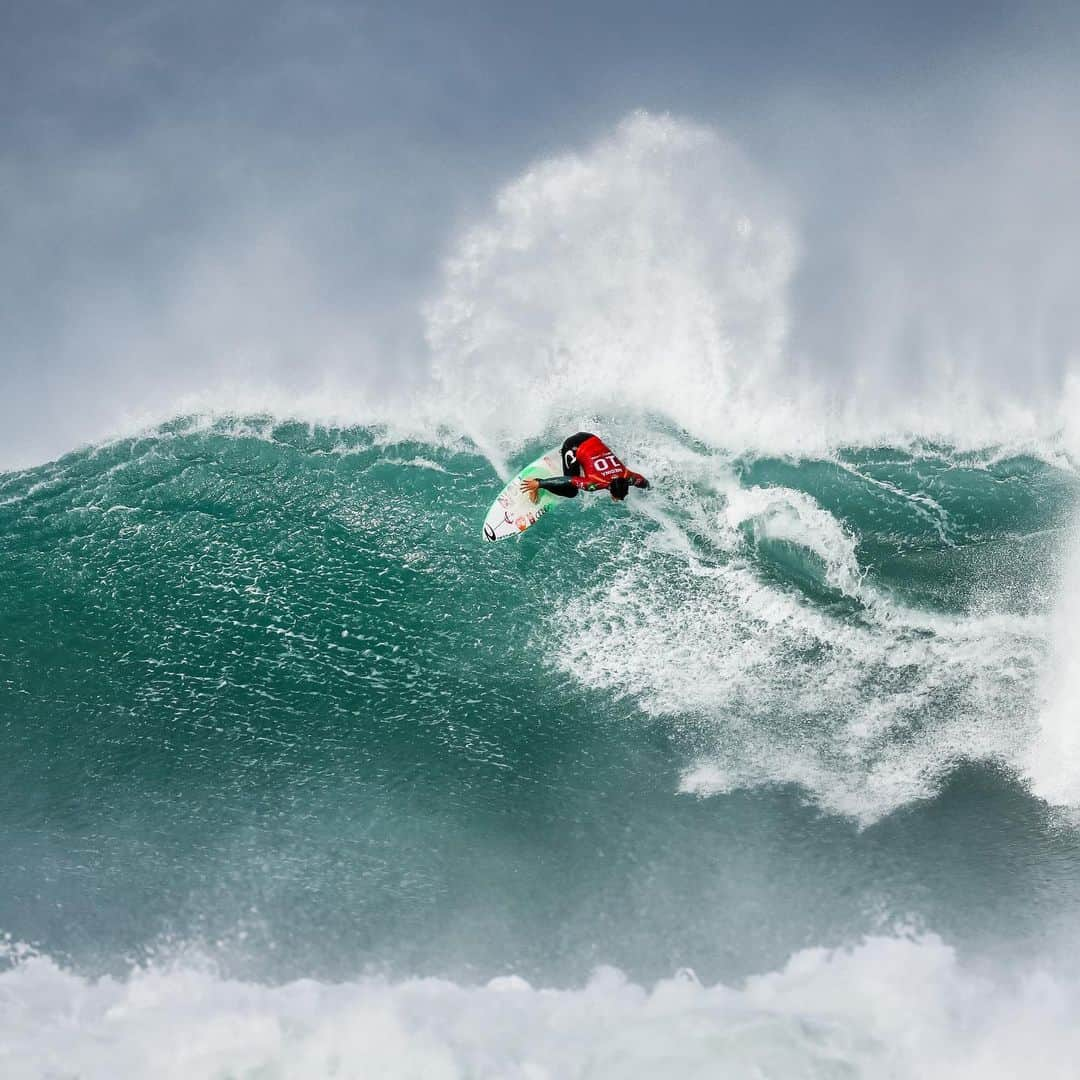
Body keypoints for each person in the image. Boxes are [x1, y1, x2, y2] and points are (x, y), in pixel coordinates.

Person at [521, 432, 649, 503]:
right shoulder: (594, 484)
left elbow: (644, 482)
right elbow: (569, 480)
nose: (616, 500)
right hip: (572, 446)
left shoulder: (628, 476)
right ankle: (536, 483)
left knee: (587, 466)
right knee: (571, 492)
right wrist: (540, 483)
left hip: (590, 436)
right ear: (611, 491)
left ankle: (579, 460)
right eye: (616, 497)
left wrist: (648, 490)